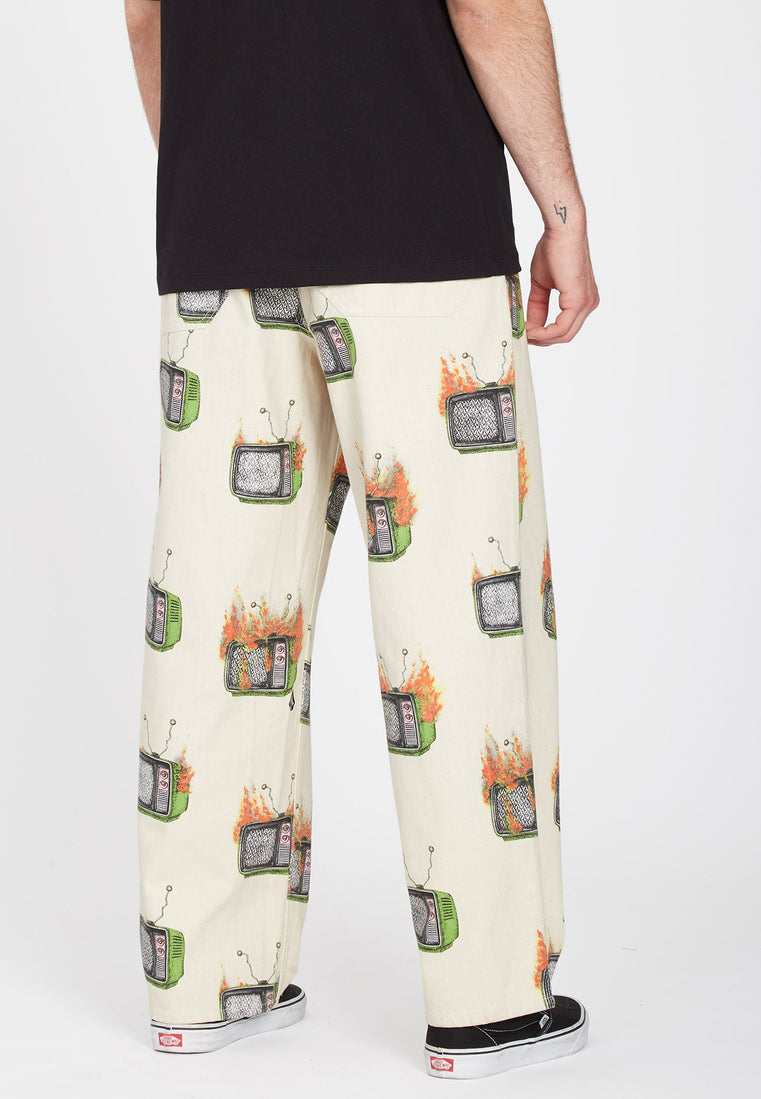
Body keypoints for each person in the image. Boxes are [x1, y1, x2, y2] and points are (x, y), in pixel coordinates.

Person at [125, 0, 599, 1080]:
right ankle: (485, 1002)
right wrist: (561, 206)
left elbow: (146, 15)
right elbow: (487, 5)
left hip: (220, 235)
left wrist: (226, 174)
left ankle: (207, 984)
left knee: (216, 617)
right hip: (415, 228)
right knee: (460, 609)